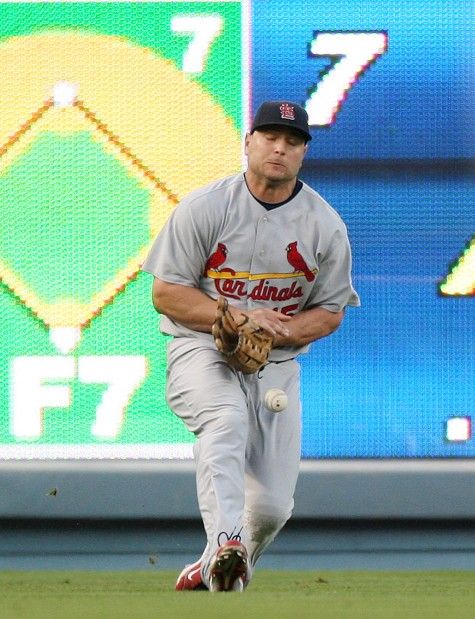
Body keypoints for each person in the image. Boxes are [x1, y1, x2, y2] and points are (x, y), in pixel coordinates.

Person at [142, 100, 360, 592]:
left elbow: (330, 311)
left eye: (292, 141)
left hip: (275, 366)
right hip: (202, 349)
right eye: (269, 137)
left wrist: (281, 330)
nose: (279, 147)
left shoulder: (325, 226)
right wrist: (238, 318)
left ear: (303, 152)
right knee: (226, 419)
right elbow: (166, 293)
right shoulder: (205, 207)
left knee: (272, 506)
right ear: (248, 143)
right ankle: (225, 542)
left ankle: (217, 563)